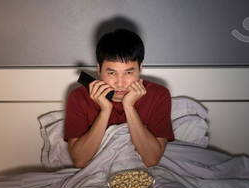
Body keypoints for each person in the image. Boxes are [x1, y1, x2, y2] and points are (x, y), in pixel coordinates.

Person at [64, 29, 174, 168]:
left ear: (140, 68)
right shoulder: (78, 97)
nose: (120, 83)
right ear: (99, 69)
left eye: (129, 72)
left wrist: (129, 107)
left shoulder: (159, 95)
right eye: (111, 73)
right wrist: (105, 111)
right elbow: (79, 161)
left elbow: (151, 160)